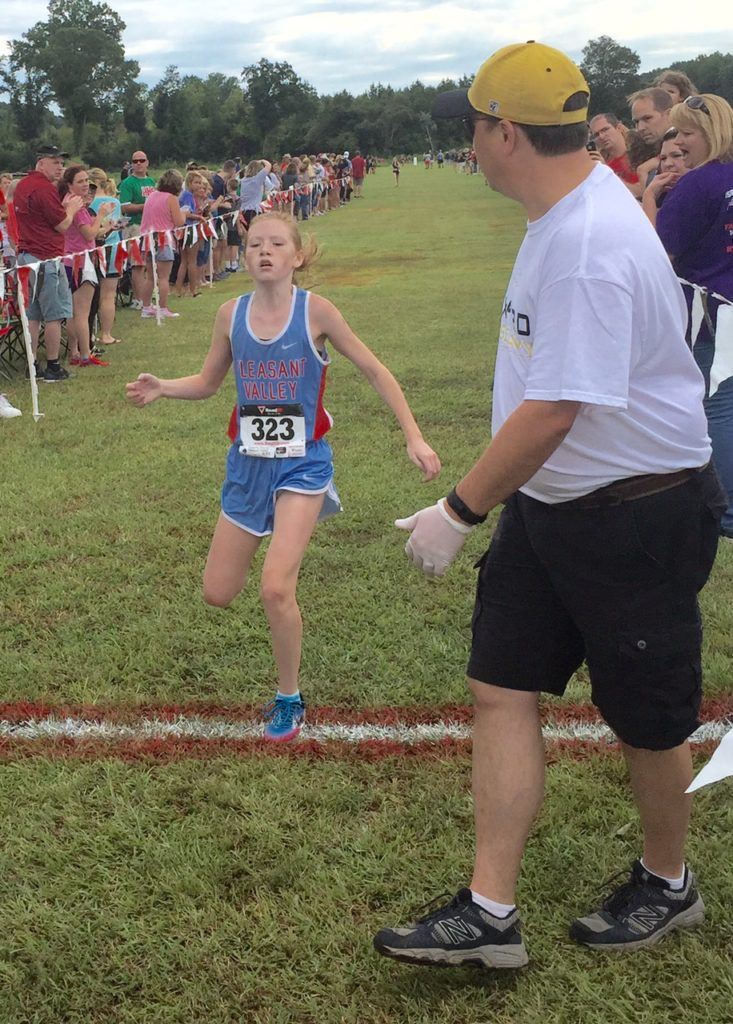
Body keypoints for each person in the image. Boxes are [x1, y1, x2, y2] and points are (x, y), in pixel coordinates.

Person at [373, 40, 724, 971]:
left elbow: (557, 407)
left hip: (635, 515)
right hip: (556, 504)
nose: (469, 146)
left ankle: (667, 881)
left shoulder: (584, 243)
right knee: (500, 686)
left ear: (504, 133)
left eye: (473, 128)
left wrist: (457, 509)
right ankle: (490, 913)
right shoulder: (565, 208)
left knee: (647, 721)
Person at [126, 211, 440, 742]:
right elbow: (208, 382)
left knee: (275, 587)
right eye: (253, 245)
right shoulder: (229, 314)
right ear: (245, 256)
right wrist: (165, 387)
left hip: (303, 463)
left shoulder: (316, 311)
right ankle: (281, 631)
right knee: (218, 592)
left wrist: (414, 434)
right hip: (247, 466)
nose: (263, 252)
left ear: (297, 256)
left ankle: (289, 697)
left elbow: (374, 369)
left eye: (276, 244)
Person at [654, 95, 733, 540]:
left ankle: (726, 511)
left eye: (687, 132)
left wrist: (650, 197)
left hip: (709, 313)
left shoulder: (698, 184)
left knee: (716, 406)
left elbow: (660, 252)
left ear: (711, 132)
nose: (679, 142)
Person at [13, 145, 84, 382]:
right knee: (53, 314)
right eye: (55, 162)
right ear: (41, 162)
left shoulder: (23, 185)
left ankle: (33, 364)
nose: (60, 167)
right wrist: (71, 209)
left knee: (33, 314)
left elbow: (41, 218)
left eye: (61, 162)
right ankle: (52, 365)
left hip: (27, 255)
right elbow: (62, 225)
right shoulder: (44, 188)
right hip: (45, 257)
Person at [58, 165, 115, 367]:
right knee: (82, 312)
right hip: (81, 262)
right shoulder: (78, 207)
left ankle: (75, 351)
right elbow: (89, 234)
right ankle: (85, 353)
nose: (85, 186)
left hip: (67, 260)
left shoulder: (65, 203)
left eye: (86, 182)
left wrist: (104, 228)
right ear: (70, 185)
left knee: (73, 312)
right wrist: (101, 214)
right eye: (80, 182)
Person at [139, 169, 187, 319]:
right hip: (163, 239)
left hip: (147, 239)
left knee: (150, 277)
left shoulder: (151, 195)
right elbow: (179, 222)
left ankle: (146, 307)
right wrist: (184, 213)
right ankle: (163, 307)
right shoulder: (171, 198)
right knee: (163, 277)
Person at [88, 168, 125, 347]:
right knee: (108, 295)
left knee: (91, 295)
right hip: (113, 249)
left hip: (93, 250)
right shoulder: (114, 202)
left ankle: (90, 332)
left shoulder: (88, 202)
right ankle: (106, 333)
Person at [118, 151, 156, 309]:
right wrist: (146, 206)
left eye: (142, 160)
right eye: (135, 161)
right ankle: (138, 299)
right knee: (137, 264)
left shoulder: (151, 180)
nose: (138, 163)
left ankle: (146, 296)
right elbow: (125, 207)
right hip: (134, 227)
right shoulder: (127, 183)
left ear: (147, 162)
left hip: (149, 226)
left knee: (148, 263)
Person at [589, 113, 640, 195]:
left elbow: (642, 191)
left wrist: (608, 173)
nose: (601, 136)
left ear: (619, 127)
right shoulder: (601, 164)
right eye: (596, 134)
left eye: (605, 130)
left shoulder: (640, 152)